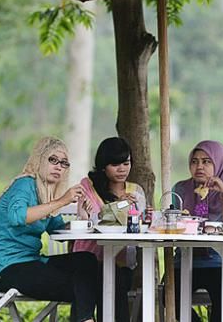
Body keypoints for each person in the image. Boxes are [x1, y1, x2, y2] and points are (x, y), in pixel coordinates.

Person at [0, 136, 100, 322]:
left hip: (32, 261)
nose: (58, 167)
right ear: (39, 159)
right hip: (7, 268)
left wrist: (82, 217)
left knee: (86, 260)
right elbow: (18, 217)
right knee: (83, 285)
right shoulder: (24, 184)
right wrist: (62, 201)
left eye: (64, 163)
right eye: (52, 160)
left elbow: (59, 232)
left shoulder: (46, 192)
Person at [73, 137, 146, 322]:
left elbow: (139, 225)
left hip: (121, 263)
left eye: (126, 163)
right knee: (97, 279)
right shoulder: (88, 186)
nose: (122, 169)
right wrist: (121, 205)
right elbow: (93, 219)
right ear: (103, 165)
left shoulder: (135, 191)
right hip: (88, 260)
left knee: (117, 280)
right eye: (115, 164)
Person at [172, 140, 223, 322]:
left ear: (219, 163)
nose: (200, 167)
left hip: (220, 263)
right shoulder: (180, 189)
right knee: (171, 297)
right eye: (195, 161)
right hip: (184, 261)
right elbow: (173, 223)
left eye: (207, 162)